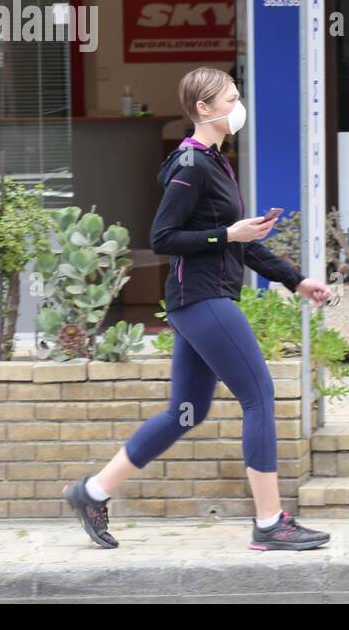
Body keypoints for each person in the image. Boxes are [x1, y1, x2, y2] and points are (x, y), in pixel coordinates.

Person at [62, 67, 333, 551]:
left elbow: (240, 244)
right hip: (202, 299)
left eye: (237, 97)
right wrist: (228, 234)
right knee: (260, 397)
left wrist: (296, 279)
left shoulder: (216, 162)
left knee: (185, 413)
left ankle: (92, 491)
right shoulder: (191, 166)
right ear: (203, 109)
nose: (238, 107)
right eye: (230, 100)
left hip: (200, 301)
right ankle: (270, 523)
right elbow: (163, 238)